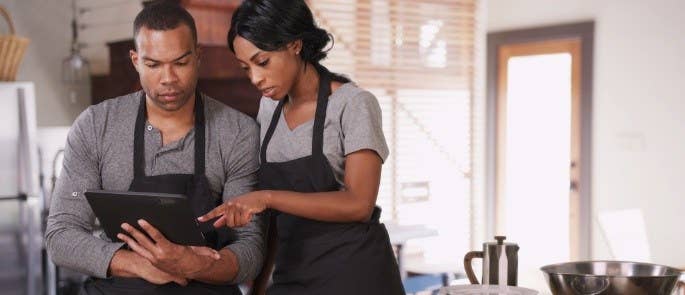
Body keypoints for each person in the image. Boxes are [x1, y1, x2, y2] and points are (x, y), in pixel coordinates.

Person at [45, 2, 264, 294]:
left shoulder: (236, 132)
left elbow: (251, 249)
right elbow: (60, 236)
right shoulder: (96, 126)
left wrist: (195, 265)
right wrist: (140, 265)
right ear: (135, 60)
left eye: (181, 62)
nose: (168, 78)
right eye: (154, 65)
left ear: (198, 57)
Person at [198, 0, 405, 294]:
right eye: (246, 68)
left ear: (295, 45)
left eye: (262, 62)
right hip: (294, 277)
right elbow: (272, 221)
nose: (255, 78)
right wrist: (256, 289)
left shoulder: (353, 105)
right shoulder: (268, 109)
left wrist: (267, 197)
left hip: (357, 277)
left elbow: (359, 204)